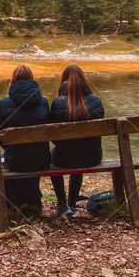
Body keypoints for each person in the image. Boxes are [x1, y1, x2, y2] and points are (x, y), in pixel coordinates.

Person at [48, 65, 105, 217]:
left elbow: (53, 137)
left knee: (49, 157)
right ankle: (72, 204)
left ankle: (62, 204)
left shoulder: (58, 103)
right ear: (83, 79)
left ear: (63, 81)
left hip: (65, 159)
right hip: (92, 157)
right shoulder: (96, 100)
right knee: (80, 152)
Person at [0, 65, 50, 217]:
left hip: (15, 162)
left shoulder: (4, 103)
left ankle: (14, 203)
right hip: (41, 161)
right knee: (33, 152)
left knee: (8, 156)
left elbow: (1, 138)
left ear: (13, 81)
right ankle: (32, 201)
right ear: (32, 80)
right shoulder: (44, 102)